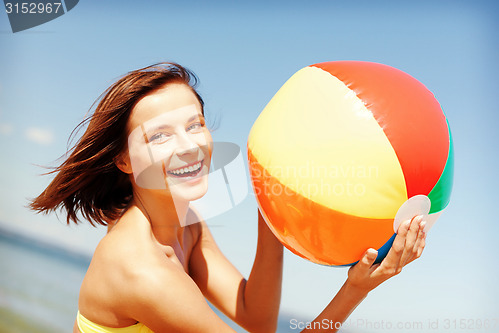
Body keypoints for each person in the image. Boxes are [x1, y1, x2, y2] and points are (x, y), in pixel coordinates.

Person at [30, 63, 426, 333]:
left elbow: (257, 318)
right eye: (160, 135)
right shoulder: (141, 270)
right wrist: (355, 289)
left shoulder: (187, 225)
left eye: (194, 125)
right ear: (124, 160)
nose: (188, 146)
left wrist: (273, 207)